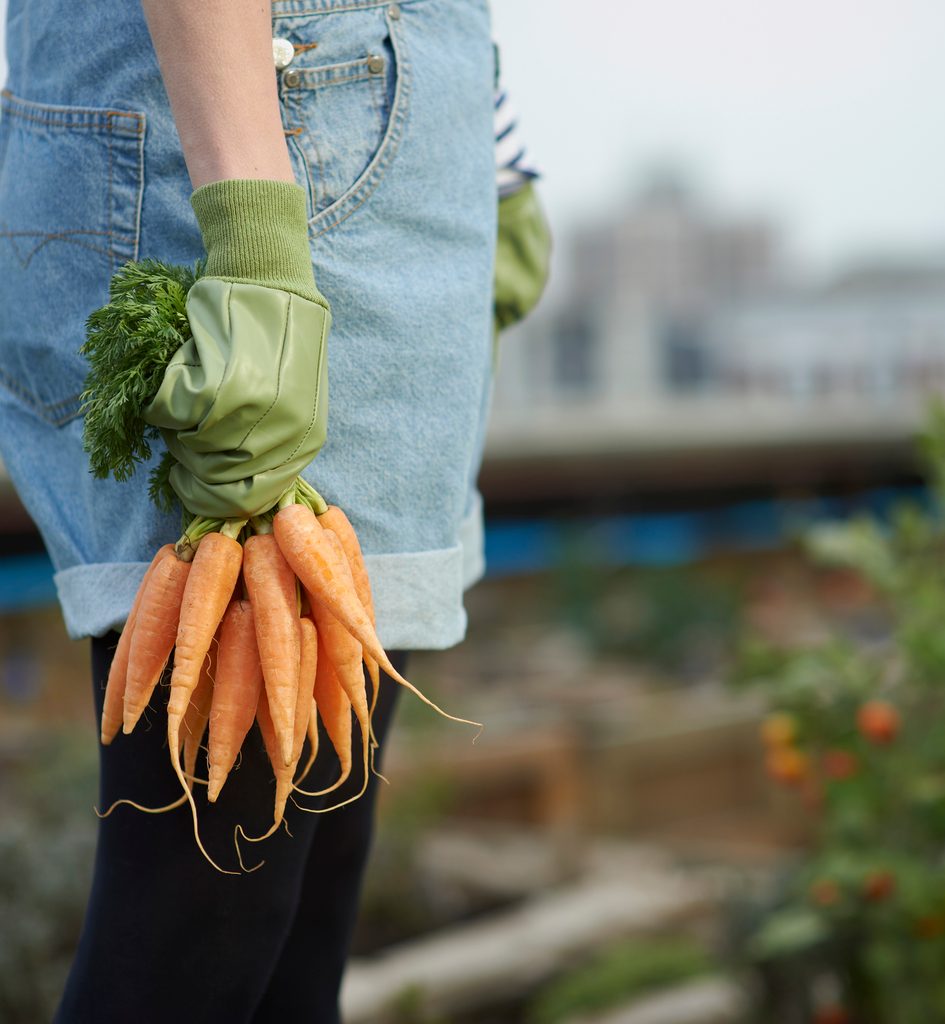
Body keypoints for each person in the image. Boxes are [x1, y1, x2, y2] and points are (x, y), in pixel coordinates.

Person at [0, 0, 549, 1021]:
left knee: (304, 907)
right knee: (204, 921)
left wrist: (494, 140)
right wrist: (251, 236)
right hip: (258, 129)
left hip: (375, 134)